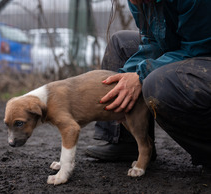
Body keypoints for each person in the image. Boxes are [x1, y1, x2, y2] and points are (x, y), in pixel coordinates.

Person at [86, 0, 211, 167]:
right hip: (186, 50)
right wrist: (125, 78)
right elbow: (152, 41)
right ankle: (130, 143)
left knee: (156, 82)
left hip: (204, 55)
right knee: (120, 44)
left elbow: (196, 49)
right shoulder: (137, 1)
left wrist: (141, 75)